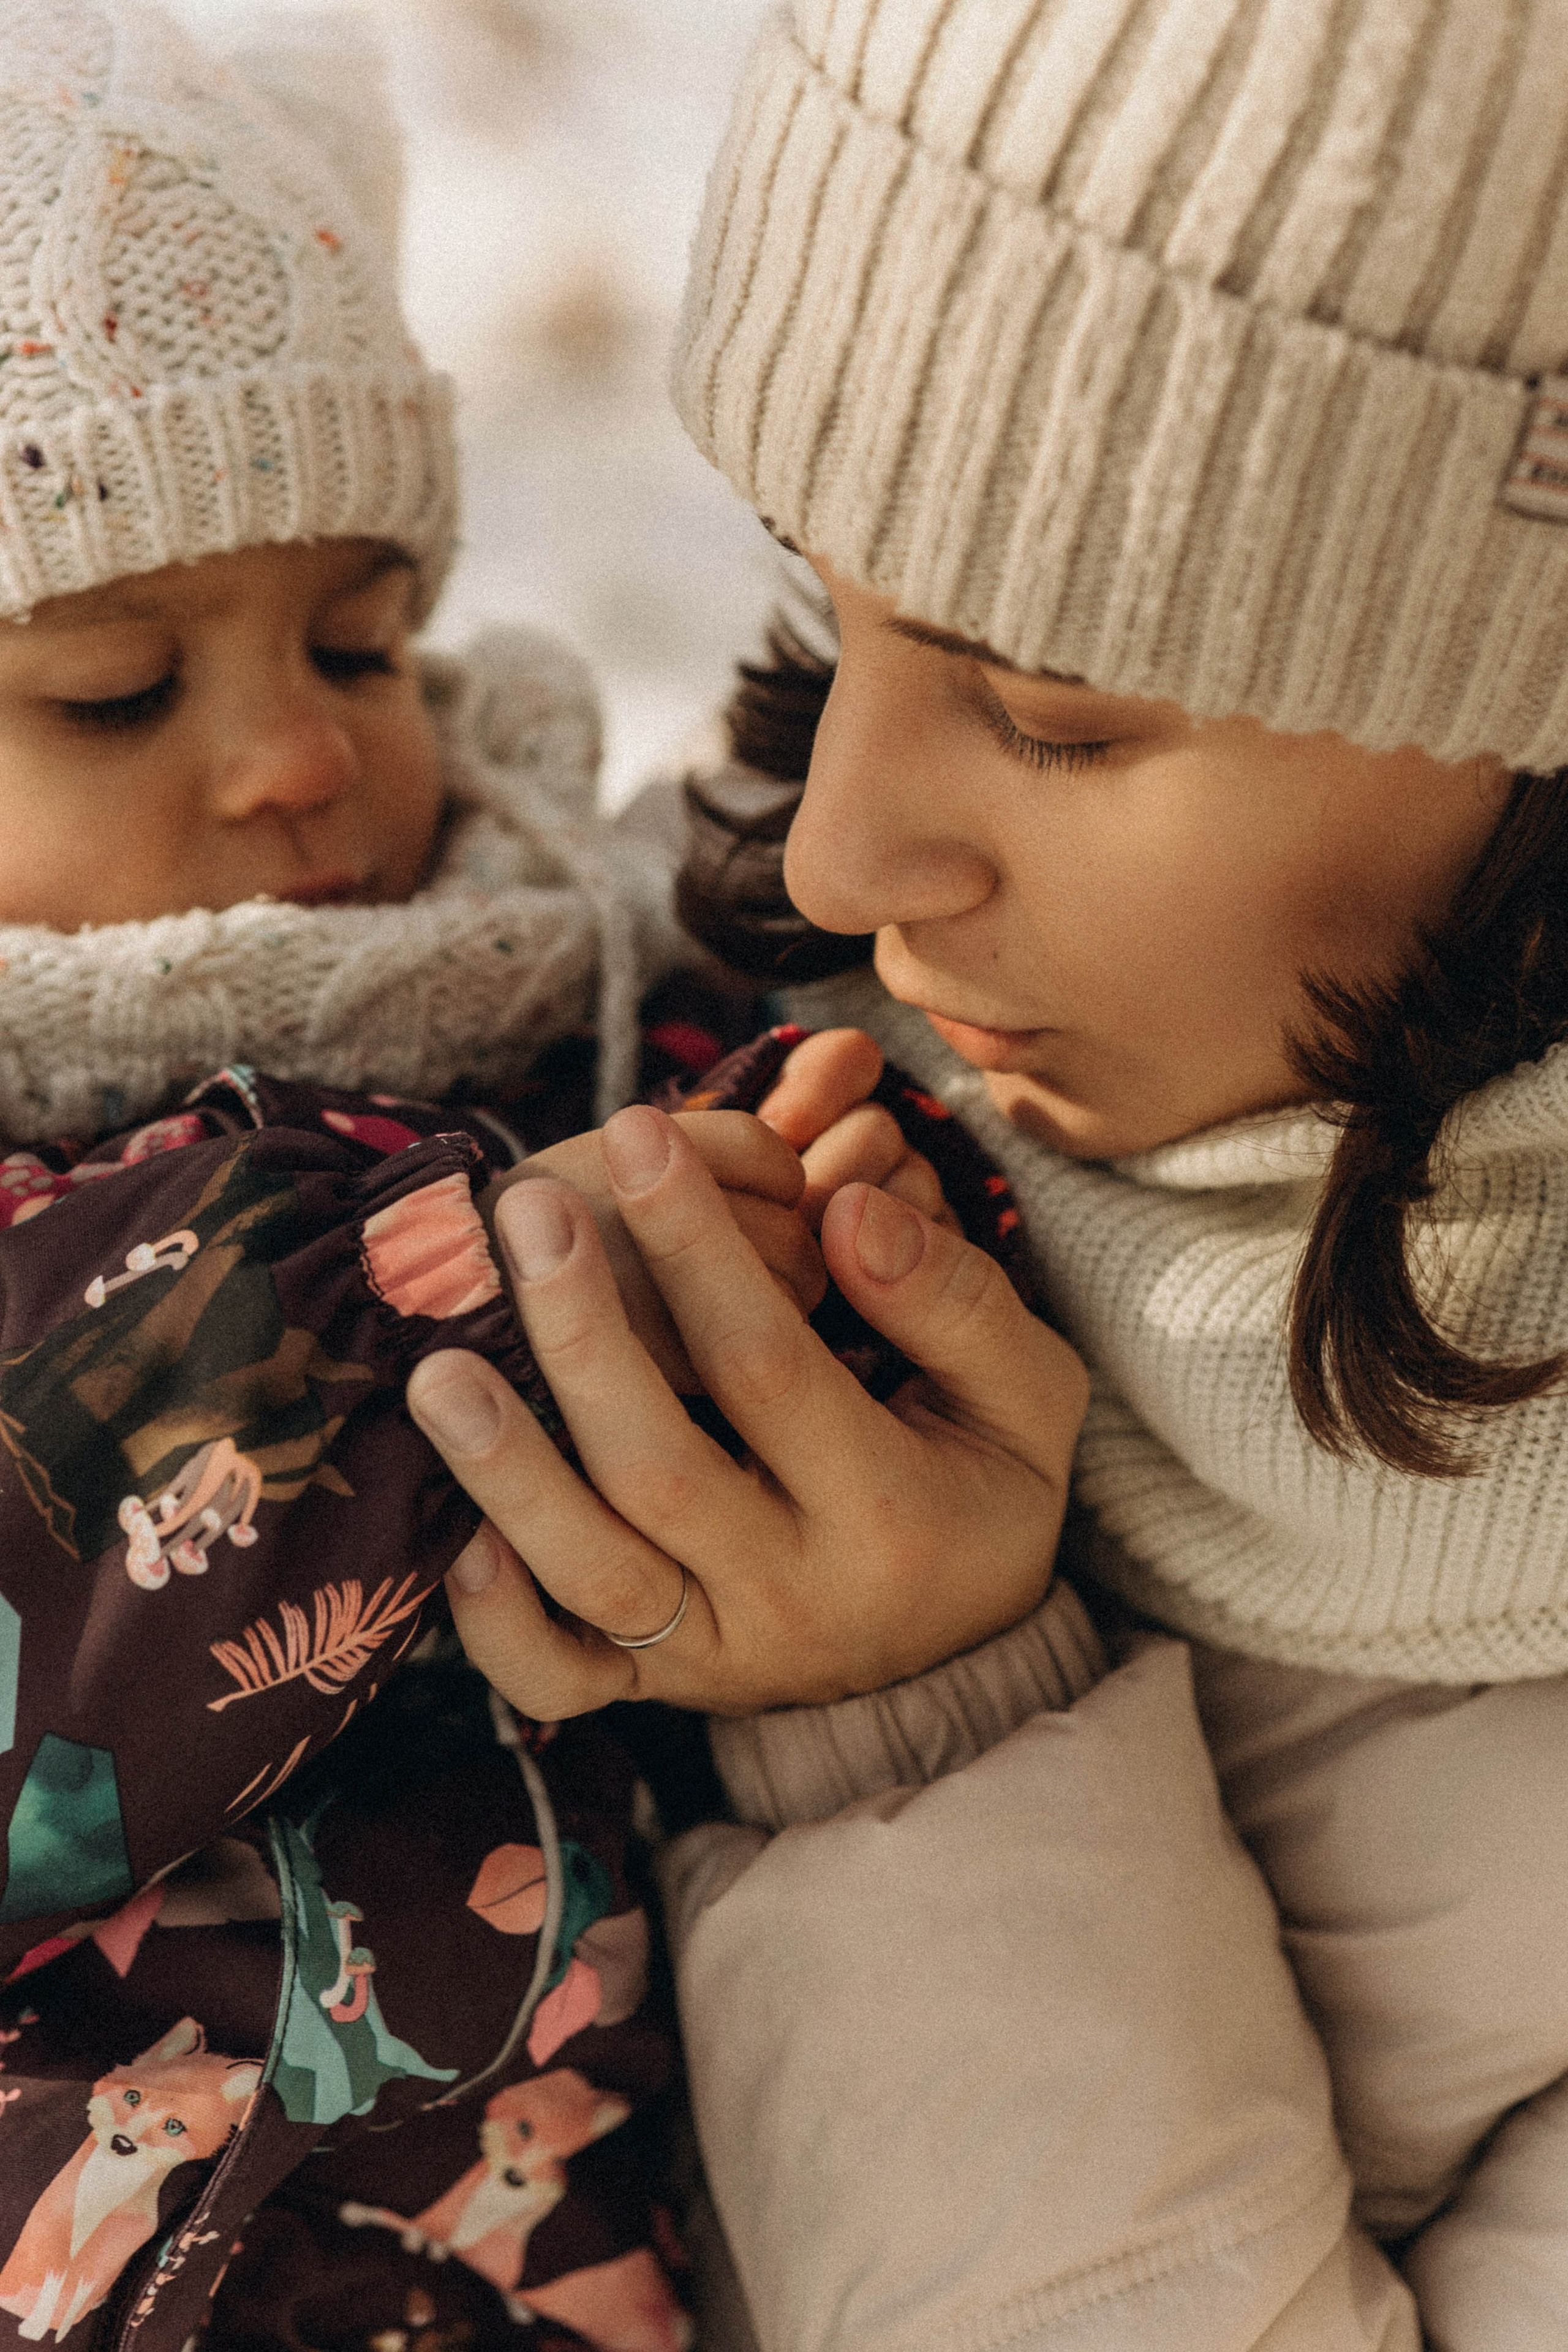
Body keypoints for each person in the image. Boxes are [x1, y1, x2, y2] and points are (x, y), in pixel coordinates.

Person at [408, 1, 1568, 2345]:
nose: (844, 851)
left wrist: (917, 1726)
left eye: (1052, 709)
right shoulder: (691, 982)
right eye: (827, 611)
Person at [0, 9, 981, 2348]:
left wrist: (826, 1184)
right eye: (117, 689)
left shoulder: (566, 992)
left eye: (362, 634)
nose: (301, 752)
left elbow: (836, 1071)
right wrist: (501, 1280)